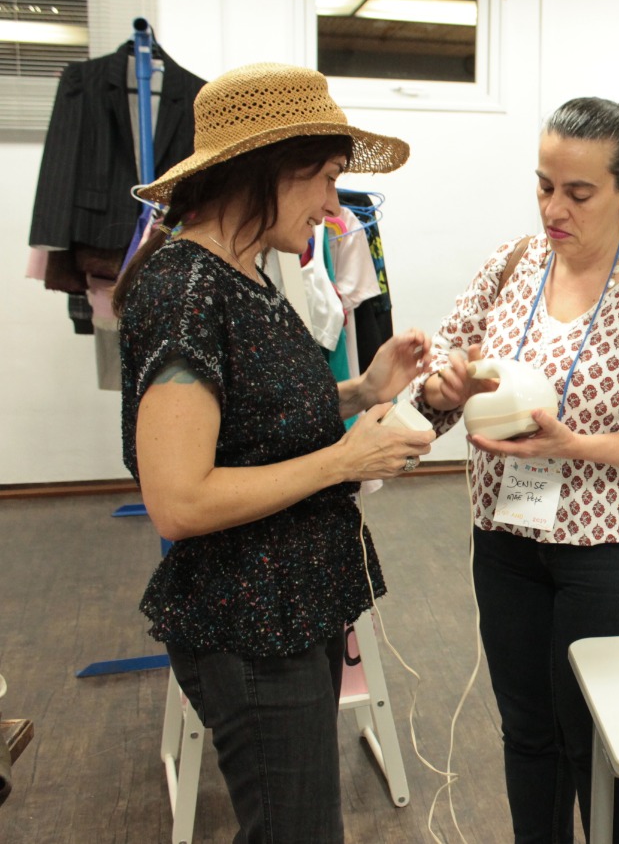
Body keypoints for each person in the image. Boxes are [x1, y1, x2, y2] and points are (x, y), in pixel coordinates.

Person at [115, 62, 434, 842]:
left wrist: (362, 390)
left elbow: (254, 418)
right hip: (249, 622)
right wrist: (345, 461)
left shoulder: (242, 274)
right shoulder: (187, 291)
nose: (333, 206)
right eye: (325, 178)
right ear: (268, 169)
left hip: (288, 606)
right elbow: (179, 499)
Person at [413, 97, 619, 843]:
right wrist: (443, 388)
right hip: (508, 541)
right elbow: (437, 376)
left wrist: (575, 446)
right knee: (528, 731)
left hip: (614, 551)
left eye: (578, 192)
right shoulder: (511, 266)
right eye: (544, 185)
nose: (554, 208)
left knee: (597, 741)